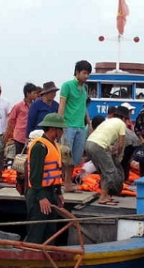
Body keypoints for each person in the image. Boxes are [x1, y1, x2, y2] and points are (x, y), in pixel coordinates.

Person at [25, 113, 66, 244]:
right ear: (54, 129)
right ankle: (32, 260)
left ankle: (47, 260)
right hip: (39, 194)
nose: (62, 132)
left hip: (51, 192)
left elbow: (56, 172)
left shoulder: (54, 145)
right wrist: (42, 197)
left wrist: (58, 192)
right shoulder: (39, 147)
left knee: (50, 233)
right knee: (37, 232)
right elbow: (35, 176)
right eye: (61, 129)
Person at [85, 106, 131, 205]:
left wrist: (109, 148)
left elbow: (101, 136)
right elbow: (121, 144)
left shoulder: (108, 121)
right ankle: (103, 198)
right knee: (110, 172)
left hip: (89, 143)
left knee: (102, 172)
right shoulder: (121, 124)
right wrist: (118, 155)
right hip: (98, 146)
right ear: (124, 118)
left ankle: (105, 196)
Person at [59, 60, 93, 192]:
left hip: (80, 126)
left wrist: (89, 123)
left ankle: (67, 184)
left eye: (88, 74)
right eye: (84, 73)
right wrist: (59, 124)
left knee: (75, 158)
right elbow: (62, 104)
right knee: (65, 156)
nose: (86, 76)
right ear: (77, 72)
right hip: (68, 126)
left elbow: (83, 107)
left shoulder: (84, 88)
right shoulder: (67, 85)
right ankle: (59, 182)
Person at [6, 83, 40, 154]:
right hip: (20, 137)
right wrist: (17, 129)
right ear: (28, 94)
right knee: (19, 158)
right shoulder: (18, 106)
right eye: (34, 93)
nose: (36, 95)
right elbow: (11, 120)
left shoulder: (36, 106)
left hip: (32, 137)